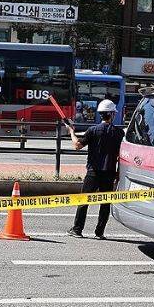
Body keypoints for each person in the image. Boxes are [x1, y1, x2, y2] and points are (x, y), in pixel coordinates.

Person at [67, 99, 124, 240]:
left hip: (93, 172)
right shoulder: (119, 133)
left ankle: (77, 229)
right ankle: (100, 232)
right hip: (110, 172)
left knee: (84, 201)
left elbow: (77, 145)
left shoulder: (93, 130)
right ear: (111, 114)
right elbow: (121, 156)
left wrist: (71, 132)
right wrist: (118, 174)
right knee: (105, 203)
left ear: (100, 114)